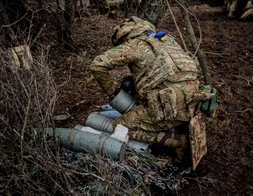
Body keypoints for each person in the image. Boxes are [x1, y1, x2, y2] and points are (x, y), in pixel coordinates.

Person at [90, 16, 212, 160]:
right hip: (195, 103)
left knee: (120, 125)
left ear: (124, 35)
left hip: (170, 108)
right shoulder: (167, 40)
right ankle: (178, 125)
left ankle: (178, 141)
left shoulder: (134, 45)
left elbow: (97, 65)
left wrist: (113, 92)